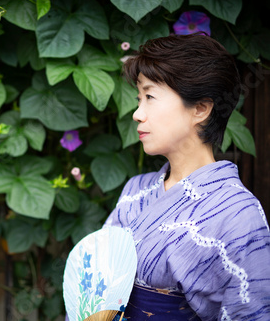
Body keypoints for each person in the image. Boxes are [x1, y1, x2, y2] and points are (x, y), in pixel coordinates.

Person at [103, 34, 270, 320]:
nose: (137, 114)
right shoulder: (136, 190)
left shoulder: (239, 214)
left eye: (150, 97)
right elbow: (95, 278)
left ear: (200, 109)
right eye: (138, 99)